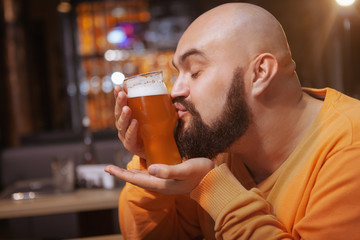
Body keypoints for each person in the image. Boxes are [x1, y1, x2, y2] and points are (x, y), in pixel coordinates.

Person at [105, 2, 360, 239]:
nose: (175, 91)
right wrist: (154, 153)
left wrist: (213, 188)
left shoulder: (350, 149)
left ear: (260, 73)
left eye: (194, 72)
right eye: (177, 74)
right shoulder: (221, 144)